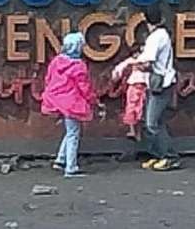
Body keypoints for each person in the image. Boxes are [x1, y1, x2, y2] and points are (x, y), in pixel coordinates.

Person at [41, 33, 98, 178]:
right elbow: (84, 88)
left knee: (69, 131)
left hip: (56, 99)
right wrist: (94, 101)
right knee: (74, 134)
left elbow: (48, 79)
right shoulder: (79, 66)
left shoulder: (56, 61)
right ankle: (71, 167)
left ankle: (60, 160)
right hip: (72, 103)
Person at [137, 6, 179, 171]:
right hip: (160, 83)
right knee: (156, 122)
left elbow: (147, 62)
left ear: (146, 20)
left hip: (161, 84)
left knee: (152, 123)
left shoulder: (156, 37)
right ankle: (158, 155)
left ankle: (169, 157)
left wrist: (129, 65)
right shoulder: (163, 35)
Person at [111, 47, 147, 140]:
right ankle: (132, 131)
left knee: (141, 109)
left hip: (144, 87)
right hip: (133, 86)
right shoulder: (129, 62)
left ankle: (138, 133)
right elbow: (118, 70)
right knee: (131, 108)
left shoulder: (146, 62)